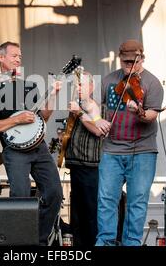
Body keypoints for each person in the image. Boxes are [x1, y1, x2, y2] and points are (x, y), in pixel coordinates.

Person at [0, 41, 63, 245]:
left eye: (20, 55)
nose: (19, 58)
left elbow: (42, 117)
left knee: (54, 193)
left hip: (39, 149)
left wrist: (53, 95)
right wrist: (15, 120)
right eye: (14, 55)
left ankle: (39, 240)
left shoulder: (30, 86)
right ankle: (19, 243)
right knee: (21, 197)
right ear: (2, 58)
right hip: (15, 151)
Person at [96, 39, 164, 246]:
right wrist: (96, 119)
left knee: (137, 202)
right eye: (125, 62)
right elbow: (96, 108)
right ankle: (105, 242)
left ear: (142, 58)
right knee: (106, 201)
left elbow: (152, 115)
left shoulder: (152, 83)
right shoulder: (109, 80)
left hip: (142, 151)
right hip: (112, 150)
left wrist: (140, 112)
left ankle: (132, 243)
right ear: (120, 58)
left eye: (133, 62)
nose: (129, 66)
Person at [63, 70, 111, 246]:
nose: (78, 88)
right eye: (76, 84)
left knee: (91, 212)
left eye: (82, 84)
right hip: (75, 165)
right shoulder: (75, 106)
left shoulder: (100, 108)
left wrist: (80, 115)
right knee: (76, 212)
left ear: (92, 86)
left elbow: (99, 130)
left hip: (92, 167)